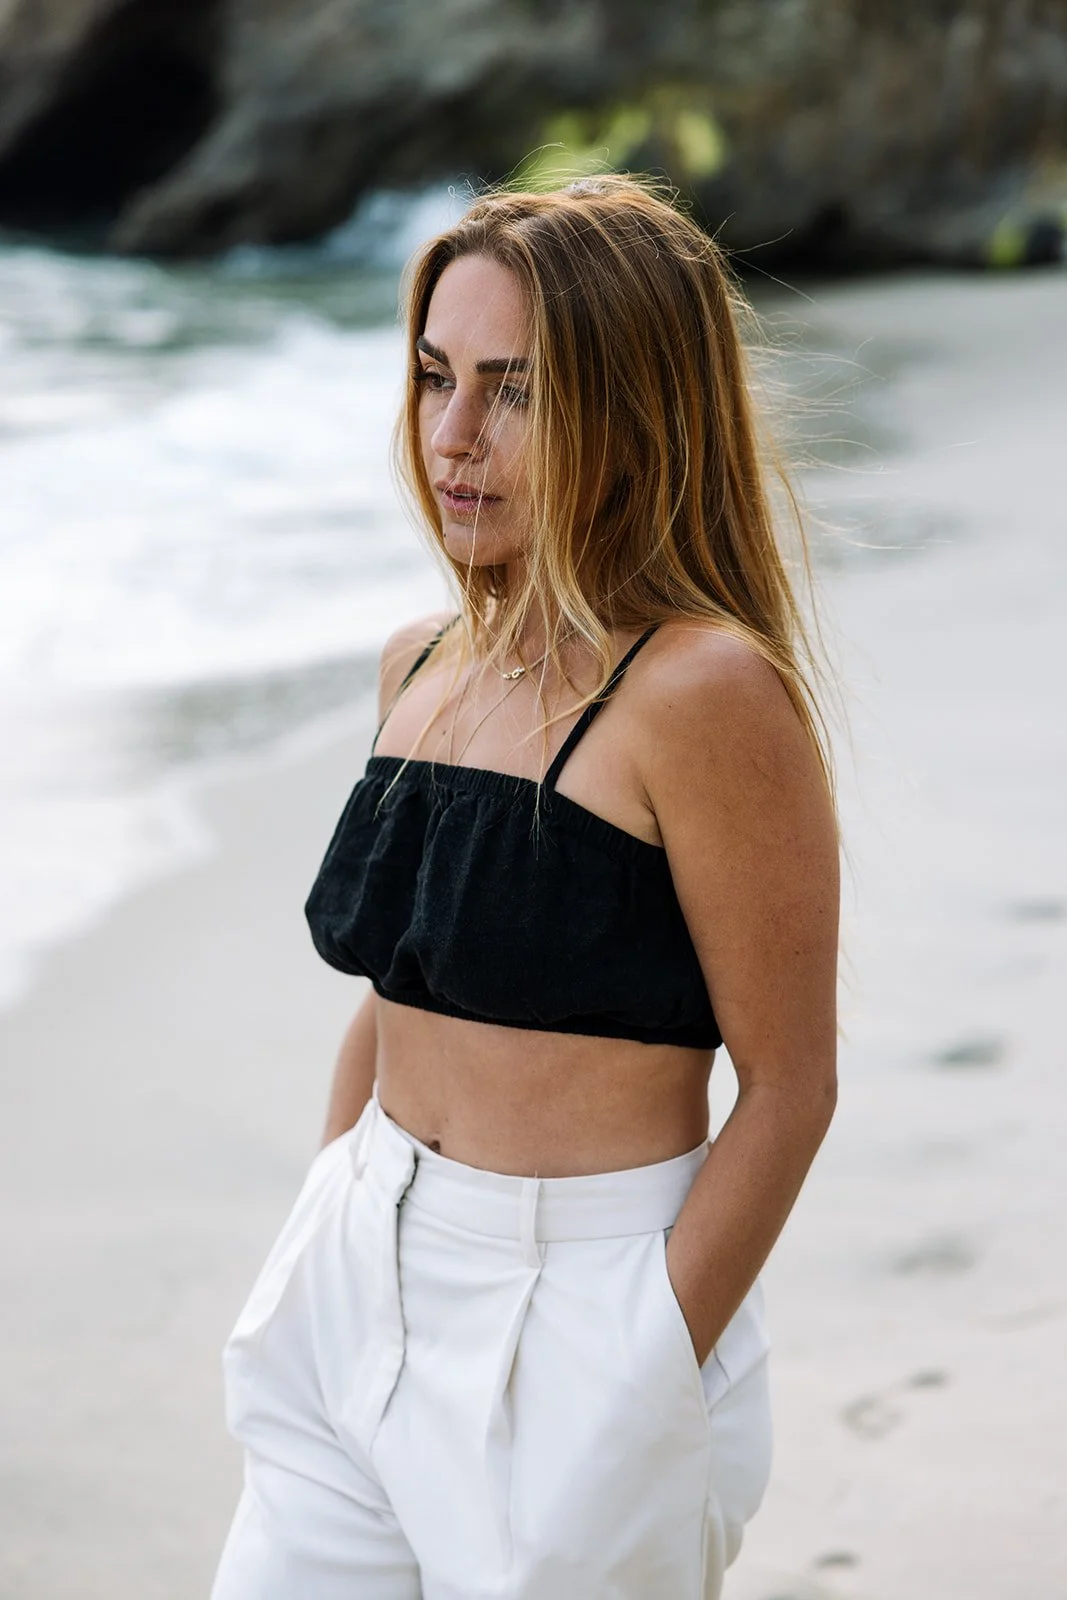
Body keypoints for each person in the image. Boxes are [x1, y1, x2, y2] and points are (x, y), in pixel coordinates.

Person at [210, 175, 840, 1600]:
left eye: (515, 392)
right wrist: (332, 1204)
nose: (452, 437)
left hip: (579, 1319)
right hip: (354, 1277)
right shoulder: (421, 664)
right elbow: (406, 979)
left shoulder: (705, 693)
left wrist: (645, 1363)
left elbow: (790, 1082)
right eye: (435, 377)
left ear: (635, 413)